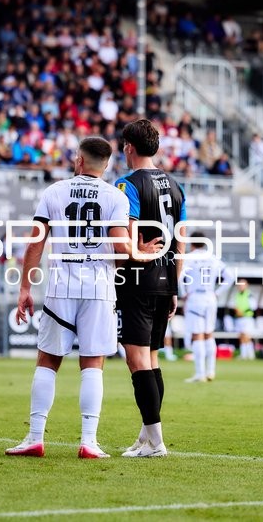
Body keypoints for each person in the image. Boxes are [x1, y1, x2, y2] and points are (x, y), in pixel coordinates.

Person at [5, 136, 160, 459]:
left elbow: (36, 243)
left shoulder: (54, 192)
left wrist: (24, 288)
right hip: (99, 289)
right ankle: (88, 442)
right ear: (106, 165)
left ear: (78, 160)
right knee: (93, 364)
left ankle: (35, 437)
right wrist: (140, 253)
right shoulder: (114, 197)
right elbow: (120, 246)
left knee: (48, 360)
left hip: (61, 286)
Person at [114, 118, 187, 458]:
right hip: (167, 279)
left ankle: (157, 442)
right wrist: (176, 286)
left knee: (136, 359)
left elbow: (126, 241)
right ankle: (146, 437)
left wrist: (134, 253)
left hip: (137, 279)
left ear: (129, 146)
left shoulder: (127, 185)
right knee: (152, 359)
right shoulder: (175, 186)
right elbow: (182, 242)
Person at [181, 232, 232, 382]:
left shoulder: (189, 258)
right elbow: (230, 277)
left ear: (192, 243)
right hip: (210, 297)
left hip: (195, 297)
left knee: (197, 335)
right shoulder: (213, 258)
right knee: (209, 334)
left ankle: (200, 373)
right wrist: (218, 292)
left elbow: (179, 276)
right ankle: (211, 371)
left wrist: (184, 293)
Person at [234, 280, 257, 359]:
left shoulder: (249, 294)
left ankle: (250, 355)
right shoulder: (237, 295)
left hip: (247, 318)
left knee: (246, 336)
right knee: (241, 337)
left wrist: (243, 312)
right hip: (239, 318)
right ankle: (243, 354)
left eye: (242, 285)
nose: (240, 286)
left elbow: (253, 306)